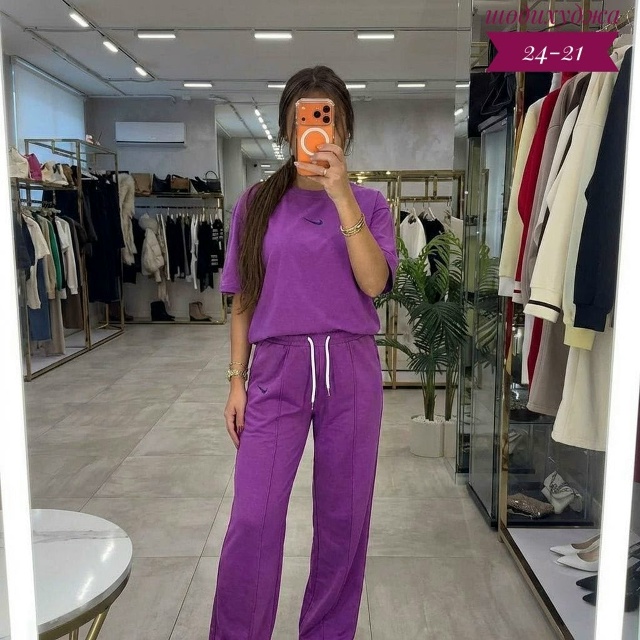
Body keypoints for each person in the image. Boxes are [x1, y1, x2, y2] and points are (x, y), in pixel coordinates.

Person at [210, 65, 398, 640]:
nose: (316, 129)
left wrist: (342, 196)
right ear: (287, 127)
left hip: (350, 368)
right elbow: (243, 297)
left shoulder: (369, 203)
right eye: (304, 118)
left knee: (343, 521)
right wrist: (236, 379)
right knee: (253, 517)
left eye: (327, 118)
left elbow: (374, 283)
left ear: (343, 128)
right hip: (277, 368)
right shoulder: (256, 204)